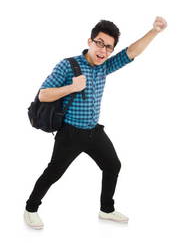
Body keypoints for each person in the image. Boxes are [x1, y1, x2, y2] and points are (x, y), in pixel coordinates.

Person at [24, 17, 167, 229]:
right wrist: (71, 88)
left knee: (113, 165)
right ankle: (31, 208)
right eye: (99, 43)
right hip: (70, 134)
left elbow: (132, 53)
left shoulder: (104, 67)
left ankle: (106, 210)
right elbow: (43, 95)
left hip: (94, 132)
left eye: (109, 47)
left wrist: (154, 31)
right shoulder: (68, 65)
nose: (103, 50)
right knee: (53, 173)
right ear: (90, 41)